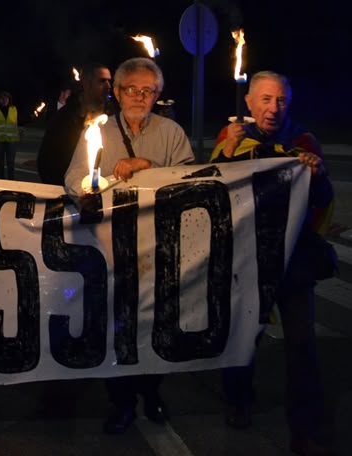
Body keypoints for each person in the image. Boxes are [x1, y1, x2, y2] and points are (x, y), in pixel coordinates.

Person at [63, 58, 194, 434]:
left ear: (157, 95)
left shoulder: (171, 133)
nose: (139, 96)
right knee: (117, 328)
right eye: (131, 89)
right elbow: (74, 177)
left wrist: (147, 166)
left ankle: (151, 393)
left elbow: (189, 180)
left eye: (147, 90)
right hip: (111, 248)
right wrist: (97, 182)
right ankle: (121, 403)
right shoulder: (98, 131)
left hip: (159, 249)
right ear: (117, 93)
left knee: (156, 325)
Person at [210, 71, 334, 456]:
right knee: (245, 335)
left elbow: (323, 200)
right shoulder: (231, 139)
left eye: (279, 100)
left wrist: (317, 175)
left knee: (302, 344)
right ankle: (238, 398)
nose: (272, 108)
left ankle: (306, 427)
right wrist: (227, 154)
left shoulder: (302, 141)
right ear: (248, 103)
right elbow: (209, 192)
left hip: (292, 259)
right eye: (264, 99)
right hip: (247, 258)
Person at [37, 63, 113, 186]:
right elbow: (47, 160)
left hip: (106, 193)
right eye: (102, 81)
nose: (108, 86)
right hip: (70, 193)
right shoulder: (65, 117)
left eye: (109, 81)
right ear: (87, 84)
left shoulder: (114, 117)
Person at [0, 91, 20, 180]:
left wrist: (32, 117)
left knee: (11, 163)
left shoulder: (14, 109)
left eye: (6, 98)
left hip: (11, 141)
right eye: (2, 98)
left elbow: (20, 121)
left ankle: (11, 180)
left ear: (9, 100)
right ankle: (1, 179)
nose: (4, 100)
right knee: (0, 163)